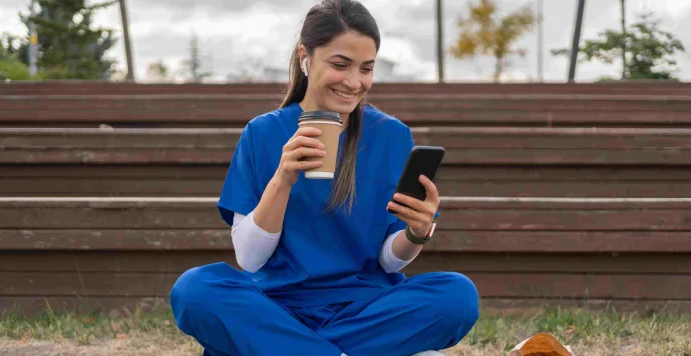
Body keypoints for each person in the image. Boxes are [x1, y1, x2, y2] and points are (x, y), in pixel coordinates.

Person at [169, 1, 479, 355]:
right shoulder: (263, 133)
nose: (354, 82)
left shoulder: (391, 136)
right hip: (278, 306)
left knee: (457, 295)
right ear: (306, 57)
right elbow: (250, 260)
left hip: (365, 307)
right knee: (195, 289)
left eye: (366, 69)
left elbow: (389, 261)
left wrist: (416, 233)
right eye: (340, 64)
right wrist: (282, 179)